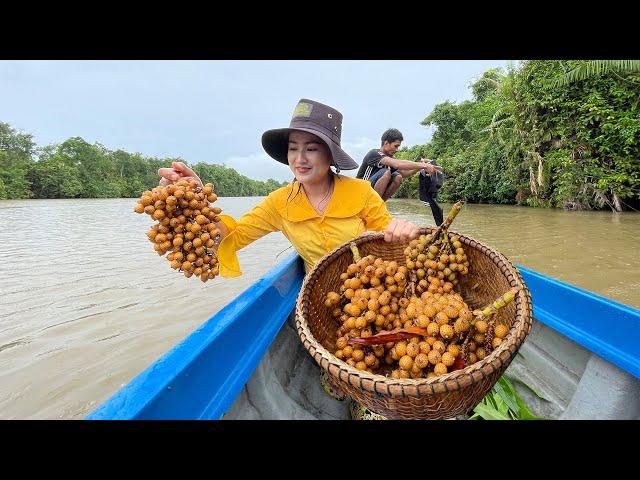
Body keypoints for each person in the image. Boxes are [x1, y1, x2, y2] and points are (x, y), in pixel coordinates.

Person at [158, 98, 421, 420]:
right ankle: (347, 386)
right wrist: (197, 198)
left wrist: (401, 230)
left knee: (395, 349)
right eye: (293, 148)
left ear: (330, 154)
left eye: (311, 148)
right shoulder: (279, 202)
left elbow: (388, 237)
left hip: (374, 289)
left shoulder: (361, 193)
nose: (300, 158)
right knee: (343, 356)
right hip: (321, 298)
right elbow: (232, 236)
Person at [356, 128, 439, 201]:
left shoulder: (389, 159)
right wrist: (425, 166)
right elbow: (397, 164)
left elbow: (404, 173)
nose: (397, 149)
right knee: (386, 172)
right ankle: (374, 205)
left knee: (398, 177)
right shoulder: (374, 153)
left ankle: (380, 205)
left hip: (371, 192)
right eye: (395, 146)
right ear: (386, 143)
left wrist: (420, 166)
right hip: (361, 190)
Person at [418, 158, 445, 226]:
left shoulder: (439, 173)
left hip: (433, 193)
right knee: (435, 207)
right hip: (428, 194)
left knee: (437, 209)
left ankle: (440, 224)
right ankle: (440, 224)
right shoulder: (424, 173)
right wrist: (423, 162)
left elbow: (438, 184)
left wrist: (425, 161)